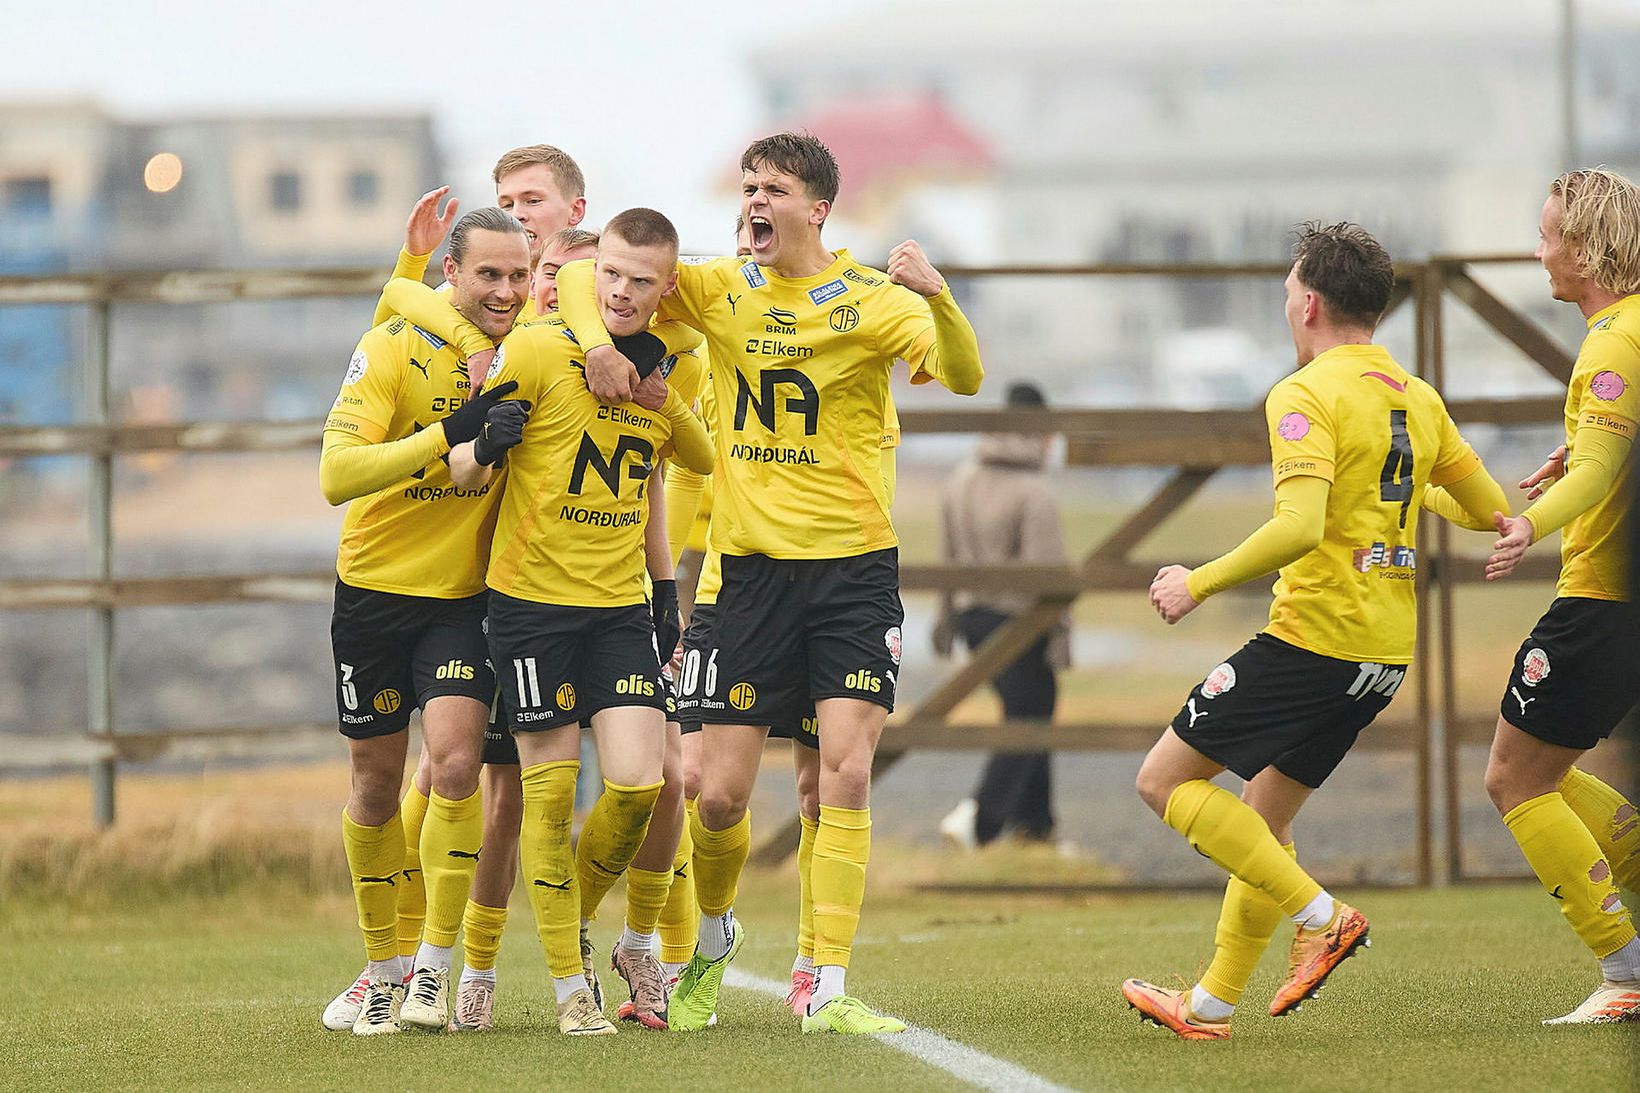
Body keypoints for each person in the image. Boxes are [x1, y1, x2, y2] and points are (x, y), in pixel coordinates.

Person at [556, 131, 984, 1034]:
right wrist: (597, 345)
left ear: (817, 209)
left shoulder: (870, 297)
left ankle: (824, 983)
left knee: (846, 774)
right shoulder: (717, 288)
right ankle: (714, 935)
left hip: (853, 575)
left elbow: (964, 372)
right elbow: (586, 280)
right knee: (715, 793)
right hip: (745, 580)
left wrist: (939, 300)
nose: (754, 198)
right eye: (748, 183)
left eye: (774, 187)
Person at [1122, 222, 1509, 1040]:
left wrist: (1198, 580)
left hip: (1314, 636)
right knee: (1262, 820)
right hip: (1382, 653)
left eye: (1286, 295)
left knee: (1162, 780)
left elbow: (1297, 528)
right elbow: (1485, 510)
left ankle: (1322, 915)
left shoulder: (1303, 391)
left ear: (1307, 302)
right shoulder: (1417, 394)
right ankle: (1212, 1005)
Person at [324, 145, 592, 1035]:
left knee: (452, 763)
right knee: (372, 784)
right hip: (371, 591)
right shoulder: (394, 343)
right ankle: (382, 964)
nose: (509, 289)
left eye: (520, 274)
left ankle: (434, 970)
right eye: (490, 274)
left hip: (465, 603)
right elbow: (336, 475)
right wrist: (451, 433)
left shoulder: (523, 352)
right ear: (453, 273)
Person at [452, 207, 712, 1035]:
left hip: (617, 611)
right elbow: (463, 460)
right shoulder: (537, 348)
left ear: (664, 289)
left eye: (642, 281)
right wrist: (479, 446)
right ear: (588, 280)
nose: (624, 291)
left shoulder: (665, 365)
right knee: (544, 795)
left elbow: (688, 465)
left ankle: (596, 928)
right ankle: (566, 987)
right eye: (611, 276)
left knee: (642, 783)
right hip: (528, 610)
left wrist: (665, 401)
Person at [1480, 168, 1640, 1025]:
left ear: (1586, 248)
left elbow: (1607, 470)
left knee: (1515, 778)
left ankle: (1627, 974)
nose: (1538, 250)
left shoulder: (1615, 340)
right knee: (1548, 770)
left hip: (1603, 598)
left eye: (1547, 235)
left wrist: (1532, 522)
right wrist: (1574, 446)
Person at [934, 381, 1070, 849]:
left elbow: (946, 557)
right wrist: (1059, 633)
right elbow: (1047, 577)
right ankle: (980, 821)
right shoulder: (1033, 490)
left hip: (972, 618)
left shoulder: (960, 478)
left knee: (1028, 710)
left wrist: (945, 618)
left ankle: (1035, 826)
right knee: (1028, 717)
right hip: (1019, 622)